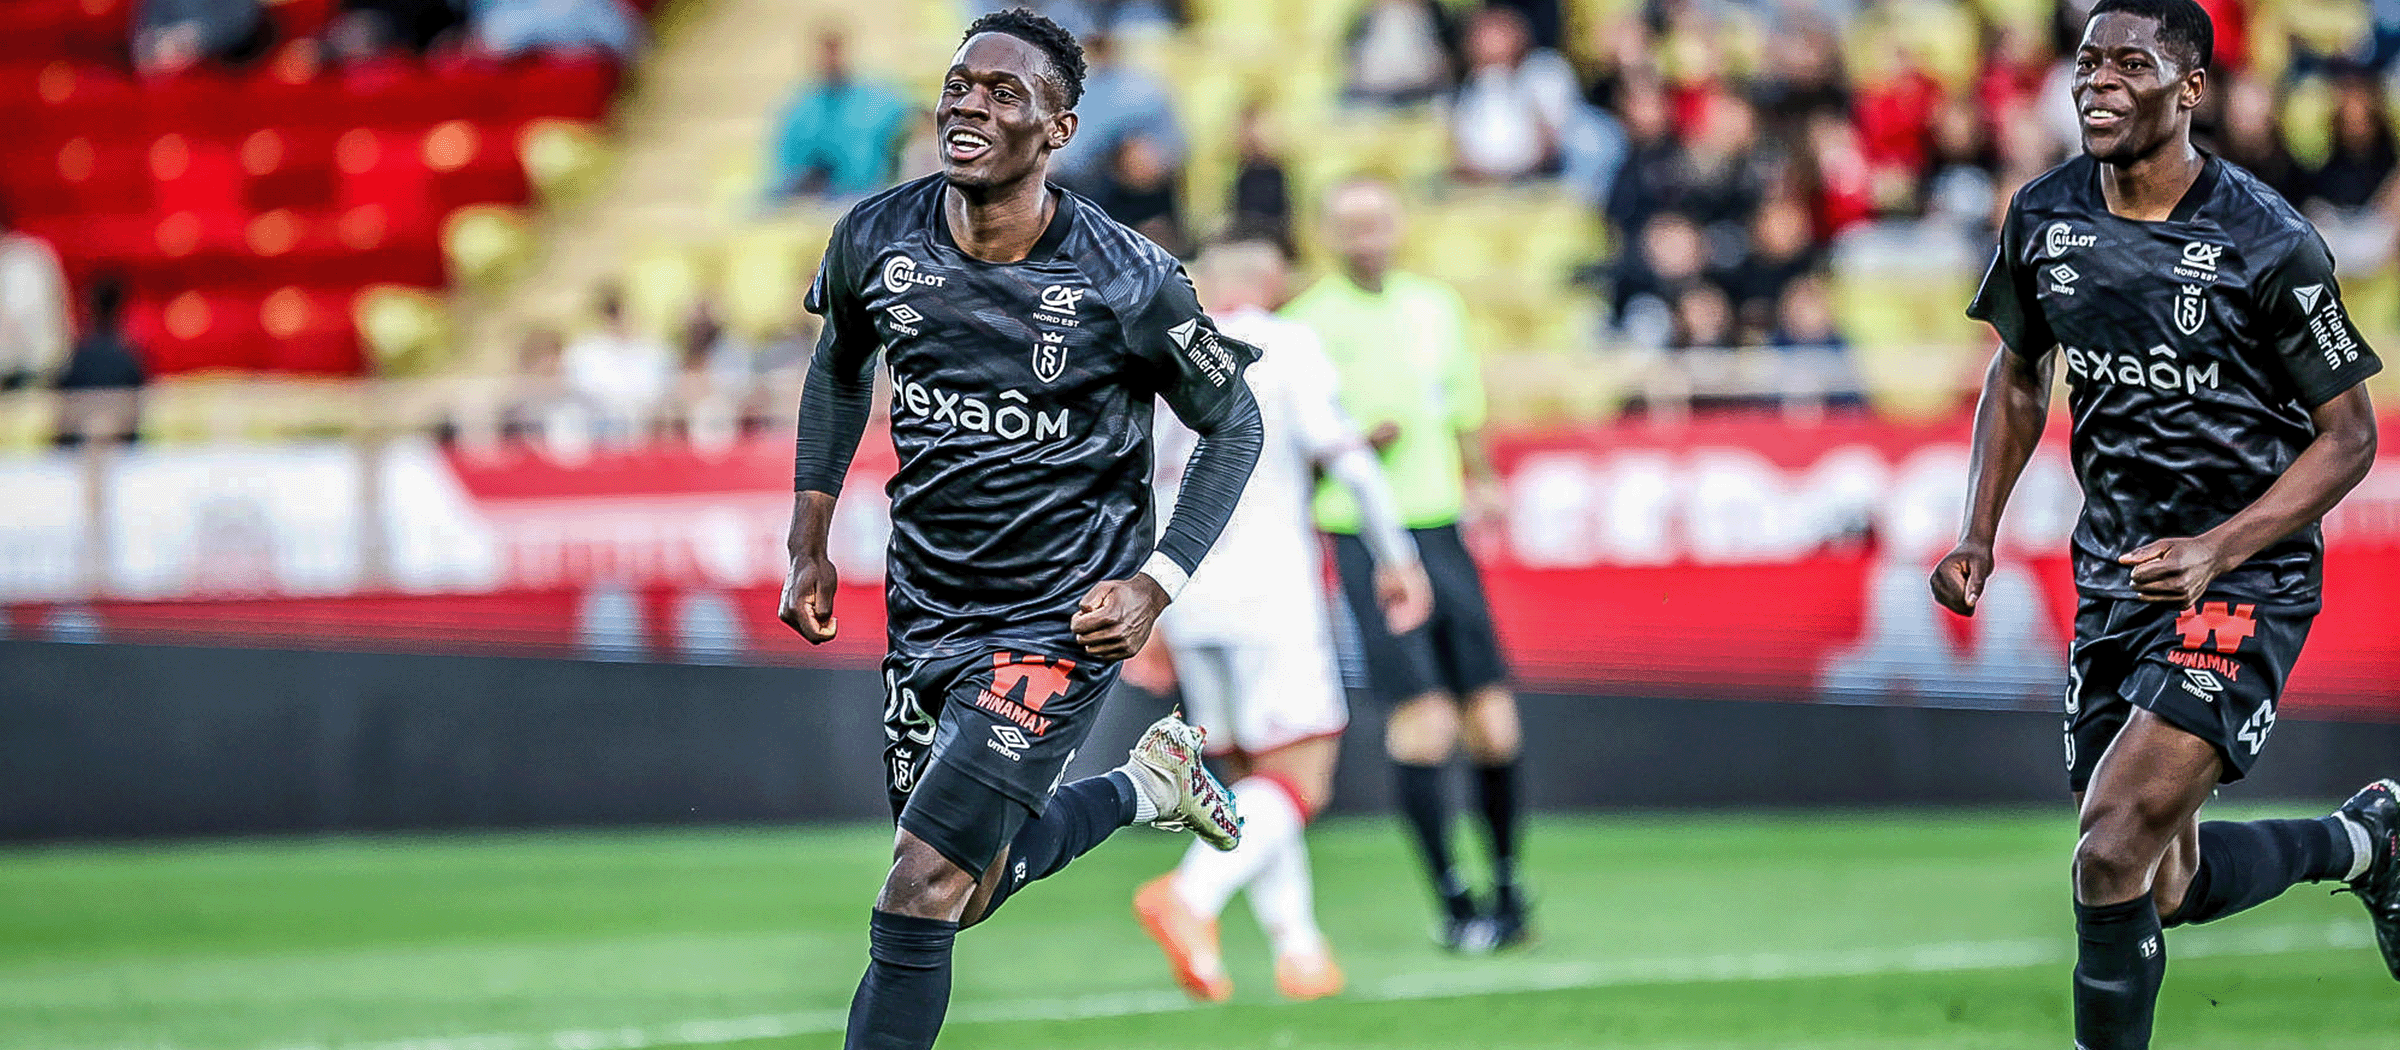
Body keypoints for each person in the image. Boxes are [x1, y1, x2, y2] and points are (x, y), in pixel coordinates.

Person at [780, 12, 1264, 1050]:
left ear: (1059, 130)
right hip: (927, 606)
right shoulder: (875, 236)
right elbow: (839, 368)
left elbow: (1236, 422)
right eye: (960, 85)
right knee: (967, 891)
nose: (970, 106)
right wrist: (808, 536)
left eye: (1006, 94)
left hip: (1060, 617)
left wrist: (1156, 583)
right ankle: (1146, 786)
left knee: (918, 885)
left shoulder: (1129, 278)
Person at [1931, 2, 2400, 1046]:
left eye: (2129, 65)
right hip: (2116, 579)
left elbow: (2350, 439)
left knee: (2107, 850)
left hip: (2244, 578)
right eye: (2088, 62)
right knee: (2162, 883)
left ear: (2189, 90)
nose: (2097, 82)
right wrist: (1978, 533)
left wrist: (2216, 550)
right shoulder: (2043, 216)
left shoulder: (2268, 241)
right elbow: (2019, 376)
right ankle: (2368, 841)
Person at [1132, 239, 1431, 1003]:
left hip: (1182, 590)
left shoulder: (1159, 352)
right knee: (1301, 781)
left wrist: (1146, 605)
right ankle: (1190, 896)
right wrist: (1397, 556)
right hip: (1270, 595)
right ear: (1270, 282)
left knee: (1248, 779)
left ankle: (1299, 951)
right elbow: (1350, 461)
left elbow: (1137, 486)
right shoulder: (1286, 344)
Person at [1283, 176, 1529, 953]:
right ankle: (1454, 900)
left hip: (1441, 525)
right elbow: (1288, 449)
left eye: (1378, 221)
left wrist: (1481, 477)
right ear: (1328, 232)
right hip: (1363, 533)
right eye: (1352, 223)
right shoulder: (1305, 325)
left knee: (1492, 718)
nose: (1367, 237)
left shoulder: (1434, 306)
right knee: (1422, 723)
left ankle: (1509, 888)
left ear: (1399, 226)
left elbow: (1462, 408)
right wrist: (1351, 450)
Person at [768, 31, 910, 202]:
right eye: (824, 53)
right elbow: (787, 169)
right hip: (815, 198)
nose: (830, 60)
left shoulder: (880, 101)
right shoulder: (800, 108)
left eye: (833, 52)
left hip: (866, 194)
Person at [561, 284, 673, 438]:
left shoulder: (654, 350)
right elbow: (581, 388)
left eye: (624, 313)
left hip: (646, 425)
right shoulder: (584, 351)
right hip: (596, 427)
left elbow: (661, 388)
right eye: (613, 314)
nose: (620, 320)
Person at [52, 277, 147, 447]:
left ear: (89, 308)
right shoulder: (129, 359)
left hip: (96, 445)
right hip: (96, 444)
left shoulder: (76, 358)